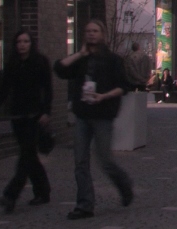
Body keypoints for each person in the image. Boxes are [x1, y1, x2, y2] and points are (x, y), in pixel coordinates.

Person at [54, 20, 133, 220]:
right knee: (80, 161)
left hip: (103, 116)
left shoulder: (113, 60)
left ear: (103, 35)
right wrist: (80, 54)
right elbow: (60, 69)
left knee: (105, 160)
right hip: (82, 115)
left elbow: (123, 86)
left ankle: (124, 184)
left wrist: (103, 96)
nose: (91, 34)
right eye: (88, 31)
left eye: (95, 31)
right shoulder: (81, 60)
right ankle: (85, 205)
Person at [0, 30, 52, 213]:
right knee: (29, 156)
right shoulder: (13, 64)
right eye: (19, 41)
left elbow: (48, 89)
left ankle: (10, 195)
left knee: (25, 158)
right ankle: (43, 191)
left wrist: (47, 112)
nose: (22, 45)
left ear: (31, 43)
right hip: (18, 117)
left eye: (26, 41)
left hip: (35, 116)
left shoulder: (40, 62)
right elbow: (3, 90)